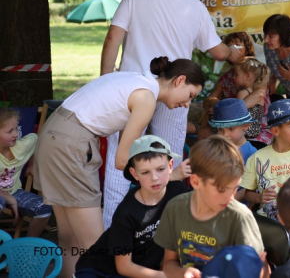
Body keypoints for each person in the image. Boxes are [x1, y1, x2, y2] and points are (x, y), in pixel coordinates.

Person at [100, 0, 242, 229]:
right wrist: (234, 52)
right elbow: (217, 50)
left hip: (130, 92)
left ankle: (112, 233)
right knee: (170, 163)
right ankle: (162, 231)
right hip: (175, 92)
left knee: (120, 165)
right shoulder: (194, 5)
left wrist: (106, 78)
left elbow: (113, 36)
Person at [33, 56, 203, 278]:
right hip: (70, 143)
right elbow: (123, 161)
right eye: (190, 95)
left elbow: (130, 152)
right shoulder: (146, 98)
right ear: (179, 80)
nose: (187, 104)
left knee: (69, 237)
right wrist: (169, 176)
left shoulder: (137, 81)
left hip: (53, 135)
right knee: (98, 250)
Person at [74, 136, 188, 278]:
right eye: (145, 172)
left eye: (160, 169)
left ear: (170, 166)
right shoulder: (127, 212)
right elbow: (124, 267)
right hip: (101, 271)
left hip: (144, 270)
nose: (155, 178)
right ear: (135, 174)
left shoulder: (178, 191)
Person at [154, 136, 265, 277]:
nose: (231, 197)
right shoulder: (175, 208)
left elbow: (260, 270)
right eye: (221, 190)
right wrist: (183, 273)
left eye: (235, 188)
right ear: (195, 182)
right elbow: (168, 263)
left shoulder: (240, 216)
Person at [240, 99, 290, 221]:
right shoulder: (257, 158)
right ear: (275, 130)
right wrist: (259, 198)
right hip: (269, 220)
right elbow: (248, 194)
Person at [202, 32, 272, 143]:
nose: (233, 49)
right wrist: (215, 103)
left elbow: (259, 94)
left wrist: (224, 109)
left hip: (253, 124)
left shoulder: (257, 72)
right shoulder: (226, 78)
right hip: (232, 123)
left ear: (247, 48)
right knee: (205, 126)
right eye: (229, 46)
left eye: (237, 45)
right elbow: (207, 102)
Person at [0, 108, 52, 237]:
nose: (16, 134)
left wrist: (32, 165)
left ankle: (28, 245)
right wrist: (9, 199)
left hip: (15, 191)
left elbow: (35, 140)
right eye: (10, 131)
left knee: (45, 207)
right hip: (4, 197)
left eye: (16, 129)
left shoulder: (22, 146)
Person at [208, 98, 258, 165]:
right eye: (220, 129)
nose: (225, 134)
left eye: (231, 129)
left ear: (246, 126)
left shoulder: (253, 155)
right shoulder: (214, 150)